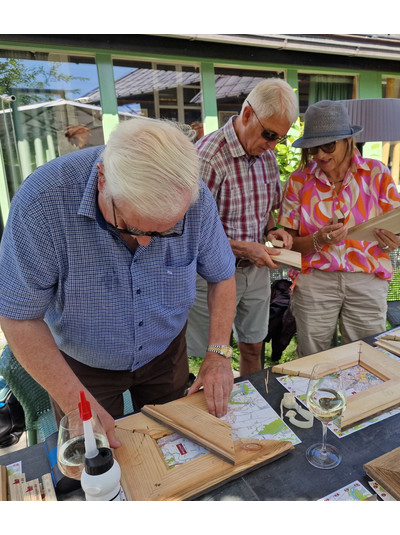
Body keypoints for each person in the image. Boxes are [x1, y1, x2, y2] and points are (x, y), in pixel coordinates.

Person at [0, 118, 237, 449]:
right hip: (83, 366)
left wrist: (218, 353)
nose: (145, 245)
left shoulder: (195, 198)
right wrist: (74, 401)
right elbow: (19, 317)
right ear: (102, 179)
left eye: (165, 231)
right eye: (129, 226)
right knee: (98, 460)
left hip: (165, 354)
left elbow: (222, 276)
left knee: (173, 448)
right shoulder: (42, 203)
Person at [186, 78, 299, 374]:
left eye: (280, 139)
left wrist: (275, 231)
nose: (273, 145)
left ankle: (254, 409)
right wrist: (242, 248)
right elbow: (189, 232)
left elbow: (268, 215)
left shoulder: (267, 157)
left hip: (255, 271)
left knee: (253, 345)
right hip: (211, 276)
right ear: (247, 114)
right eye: (269, 134)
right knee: (205, 355)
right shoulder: (208, 156)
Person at [278, 99, 400, 357]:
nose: (320, 155)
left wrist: (391, 241)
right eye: (313, 148)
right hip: (315, 282)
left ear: (348, 140)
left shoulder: (376, 174)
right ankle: (315, 399)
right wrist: (318, 241)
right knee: (312, 359)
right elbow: (287, 247)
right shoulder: (299, 181)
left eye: (328, 145)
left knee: (367, 356)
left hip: (367, 280)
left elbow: (396, 233)